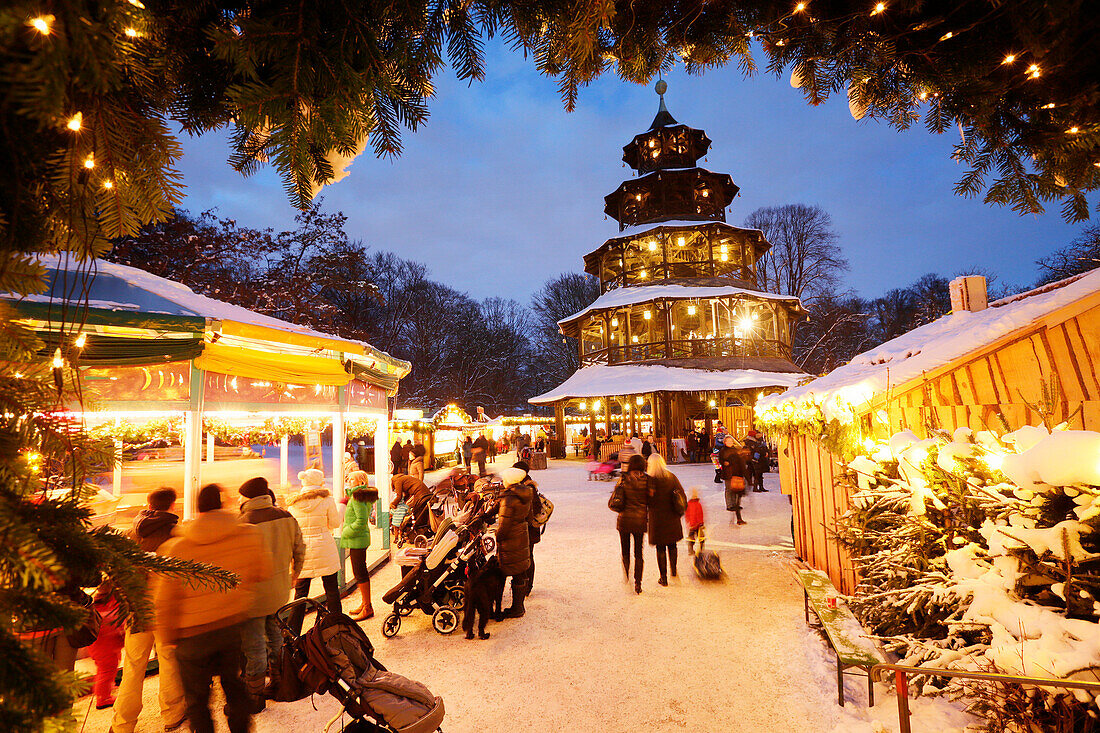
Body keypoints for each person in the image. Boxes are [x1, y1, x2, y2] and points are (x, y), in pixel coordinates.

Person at [156, 484, 272, 733]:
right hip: (231, 626)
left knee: (197, 700)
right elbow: (264, 571)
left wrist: (168, 637)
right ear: (222, 504)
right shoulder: (247, 535)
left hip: (191, 636)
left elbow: (165, 601)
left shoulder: (177, 548)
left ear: (197, 509)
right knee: (234, 687)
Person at [111, 487, 187, 733]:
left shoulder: (130, 534)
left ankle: (122, 724)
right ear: (172, 505)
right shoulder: (176, 534)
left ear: (149, 504)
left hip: (136, 609)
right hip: (165, 611)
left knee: (133, 665)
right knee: (168, 661)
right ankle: (172, 714)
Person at [237, 476, 305, 713]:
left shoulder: (243, 522)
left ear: (248, 498)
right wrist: (294, 574)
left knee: (254, 645)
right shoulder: (286, 516)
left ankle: (254, 697)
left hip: (254, 595)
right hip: (279, 591)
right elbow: (300, 547)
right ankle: (279, 681)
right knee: (275, 636)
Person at [286, 469, 342, 632]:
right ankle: (336, 625)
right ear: (319, 481)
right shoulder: (327, 500)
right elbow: (335, 523)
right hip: (324, 546)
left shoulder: (293, 503)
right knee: (331, 589)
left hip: (303, 550)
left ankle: (293, 630)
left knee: (301, 593)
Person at [495, 467, 532, 617]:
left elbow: (504, 525)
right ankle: (519, 607)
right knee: (519, 572)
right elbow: (529, 518)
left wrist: (497, 536)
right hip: (521, 536)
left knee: (501, 573)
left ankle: (500, 608)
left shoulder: (508, 499)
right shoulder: (525, 494)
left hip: (510, 541)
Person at [340, 471, 377, 622]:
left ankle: (367, 607)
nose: (348, 480)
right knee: (359, 571)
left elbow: (361, 520)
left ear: (361, 482)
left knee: (360, 572)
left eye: (352, 479)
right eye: (348, 478)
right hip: (359, 538)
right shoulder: (357, 496)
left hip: (357, 539)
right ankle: (364, 603)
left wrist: (346, 531)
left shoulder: (357, 498)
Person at [646, 453, 686, 586]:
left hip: (657, 518)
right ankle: (673, 570)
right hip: (672, 516)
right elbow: (681, 494)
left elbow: (645, 500)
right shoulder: (671, 477)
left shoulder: (649, 480)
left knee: (661, 547)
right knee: (672, 544)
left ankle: (663, 578)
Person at [612, 454, 650, 594]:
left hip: (624, 520)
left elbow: (616, 497)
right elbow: (651, 500)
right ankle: (638, 583)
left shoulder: (624, 478)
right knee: (639, 553)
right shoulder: (647, 480)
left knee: (625, 551)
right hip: (640, 521)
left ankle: (627, 573)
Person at [88, 581, 125, 709]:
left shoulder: (98, 607)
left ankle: (105, 690)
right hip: (105, 646)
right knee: (106, 670)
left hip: (102, 646)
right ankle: (103, 698)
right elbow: (113, 624)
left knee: (106, 669)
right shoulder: (107, 609)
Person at [512, 460, 542, 591]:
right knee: (525, 556)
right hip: (525, 529)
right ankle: (525, 583)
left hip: (529, 529)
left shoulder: (529, 487)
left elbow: (536, 507)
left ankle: (528, 585)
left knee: (528, 556)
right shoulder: (520, 485)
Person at [719, 435, 748, 525]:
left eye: (731, 441)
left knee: (736, 489)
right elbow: (721, 460)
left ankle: (736, 505)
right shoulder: (723, 450)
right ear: (725, 442)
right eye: (728, 441)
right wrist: (725, 463)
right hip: (728, 473)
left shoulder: (735, 450)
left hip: (736, 472)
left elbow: (740, 459)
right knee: (729, 489)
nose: (730, 443)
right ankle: (730, 504)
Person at [684, 487, 706, 555]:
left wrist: (688, 522)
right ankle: (701, 549)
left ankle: (690, 549)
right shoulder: (698, 504)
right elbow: (700, 514)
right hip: (698, 524)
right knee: (701, 538)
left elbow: (686, 514)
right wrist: (701, 523)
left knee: (691, 538)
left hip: (691, 525)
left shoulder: (688, 505)